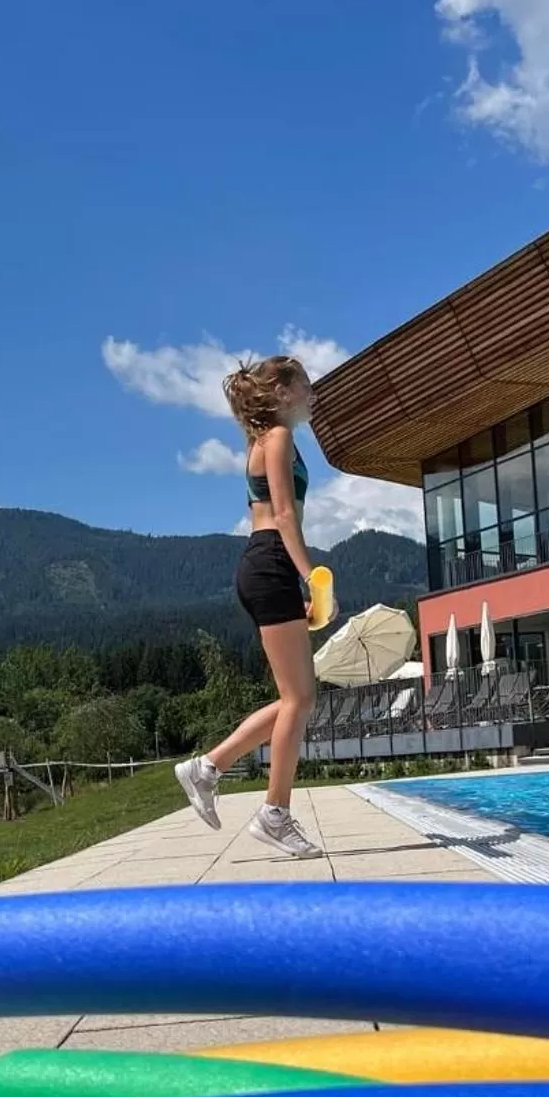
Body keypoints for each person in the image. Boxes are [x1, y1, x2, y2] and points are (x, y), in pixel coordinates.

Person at [173, 354, 323, 858]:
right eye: (305, 383)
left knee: (294, 698)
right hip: (272, 562)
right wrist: (312, 579)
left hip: (263, 565)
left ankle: (208, 767)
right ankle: (274, 814)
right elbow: (283, 514)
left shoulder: (267, 439)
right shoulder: (276, 439)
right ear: (281, 389)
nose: (311, 391)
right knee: (300, 699)